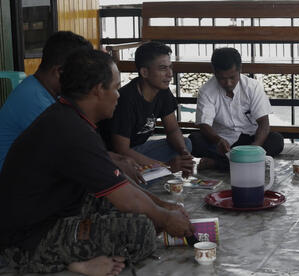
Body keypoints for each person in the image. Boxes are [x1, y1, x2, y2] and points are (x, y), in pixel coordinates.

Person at [0, 50, 194, 275]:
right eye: (115, 87)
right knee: (140, 231)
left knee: (141, 212)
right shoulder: (71, 131)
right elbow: (128, 199)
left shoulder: (70, 117)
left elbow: (119, 182)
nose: (119, 95)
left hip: (57, 210)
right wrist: (166, 218)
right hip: (26, 239)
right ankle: (63, 262)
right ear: (98, 90)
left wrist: (161, 207)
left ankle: (79, 255)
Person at [0, 31, 93, 170]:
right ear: (59, 72)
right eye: (81, 74)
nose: (84, 81)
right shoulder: (34, 100)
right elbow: (74, 153)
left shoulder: (40, 90)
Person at [101, 41, 194, 177]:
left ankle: (153, 174)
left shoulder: (163, 91)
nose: (170, 74)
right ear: (144, 72)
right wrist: (167, 166)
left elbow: (173, 129)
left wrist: (185, 155)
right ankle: (152, 175)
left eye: (170, 67)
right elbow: (122, 150)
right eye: (163, 68)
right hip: (118, 158)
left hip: (139, 151)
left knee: (185, 143)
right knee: (129, 175)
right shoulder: (126, 100)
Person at [189, 47, 284, 171]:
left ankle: (217, 164)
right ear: (215, 72)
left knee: (276, 140)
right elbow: (204, 124)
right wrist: (218, 140)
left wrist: (255, 148)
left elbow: (264, 123)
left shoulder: (252, 87)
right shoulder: (206, 90)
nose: (228, 83)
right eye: (222, 78)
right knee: (194, 141)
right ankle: (247, 163)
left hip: (249, 139)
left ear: (240, 70)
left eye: (232, 77)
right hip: (222, 142)